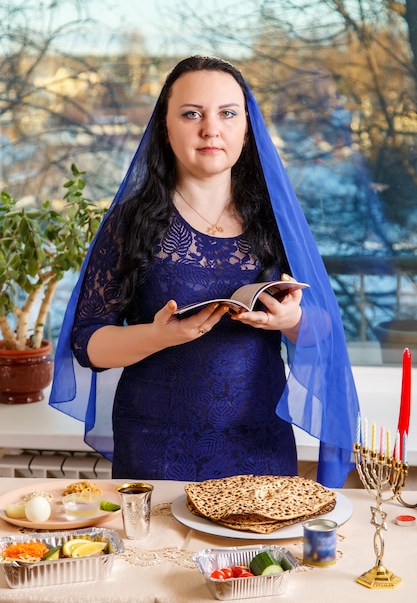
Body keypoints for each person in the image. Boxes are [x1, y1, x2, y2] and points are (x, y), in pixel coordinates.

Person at [50, 55, 360, 488]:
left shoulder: (276, 222)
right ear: (165, 126)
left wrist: (292, 322)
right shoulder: (129, 222)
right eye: (192, 113)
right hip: (155, 450)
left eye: (228, 114)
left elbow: (323, 329)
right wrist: (157, 336)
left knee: (260, 560)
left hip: (261, 449)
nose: (210, 128)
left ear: (246, 128)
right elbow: (85, 343)